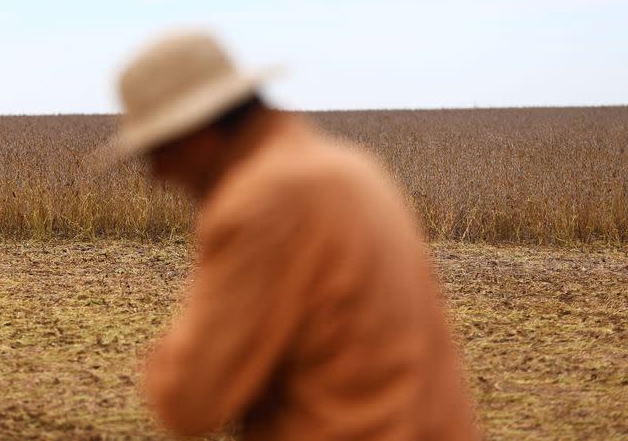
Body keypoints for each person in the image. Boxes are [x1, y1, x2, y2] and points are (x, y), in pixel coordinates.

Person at [107, 30, 478, 440]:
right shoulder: (352, 168)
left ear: (199, 132)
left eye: (159, 150)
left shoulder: (265, 199)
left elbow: (188, 401)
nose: (157, 175)